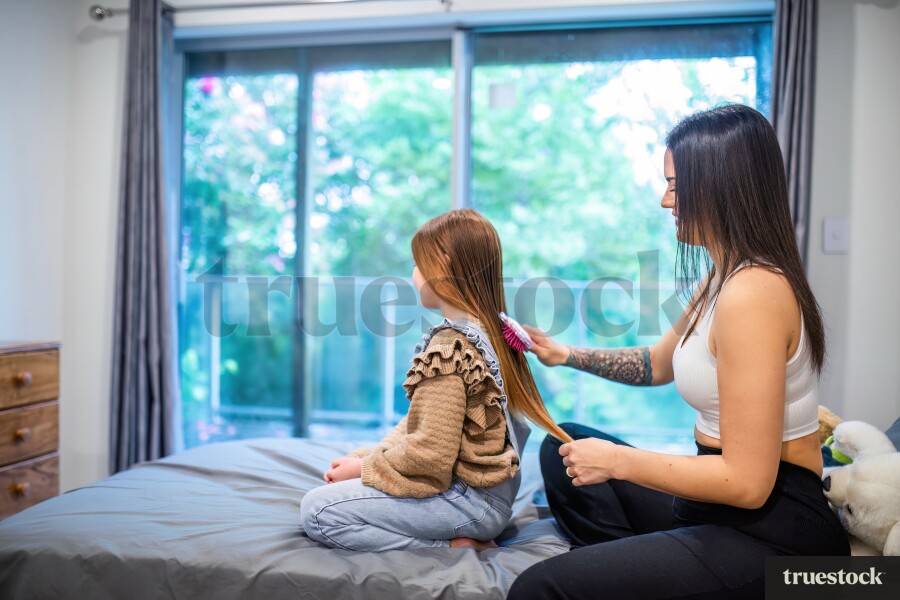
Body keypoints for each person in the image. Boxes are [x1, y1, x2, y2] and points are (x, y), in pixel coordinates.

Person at [507, 104, 849, 600]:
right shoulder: (721, 274)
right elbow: (658, 364)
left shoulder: (753, 292)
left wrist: (619, 462)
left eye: (675, 183)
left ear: (722, 184)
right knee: (563, 451)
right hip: (718, 510)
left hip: (777, 533)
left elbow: (748, 483)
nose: (666, 200)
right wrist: (565, 354)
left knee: (539, 588)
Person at [300, 208, 570, 552]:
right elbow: (425, 424)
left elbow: (428, 460)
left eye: (418, 263)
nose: (413, 273)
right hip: (493, 500)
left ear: (443, 265)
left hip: (467, 505)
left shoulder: (450, 346)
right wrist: (372, 456)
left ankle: (455, 548)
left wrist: (365, 470)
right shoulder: (494, 332)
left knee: (318, 510)